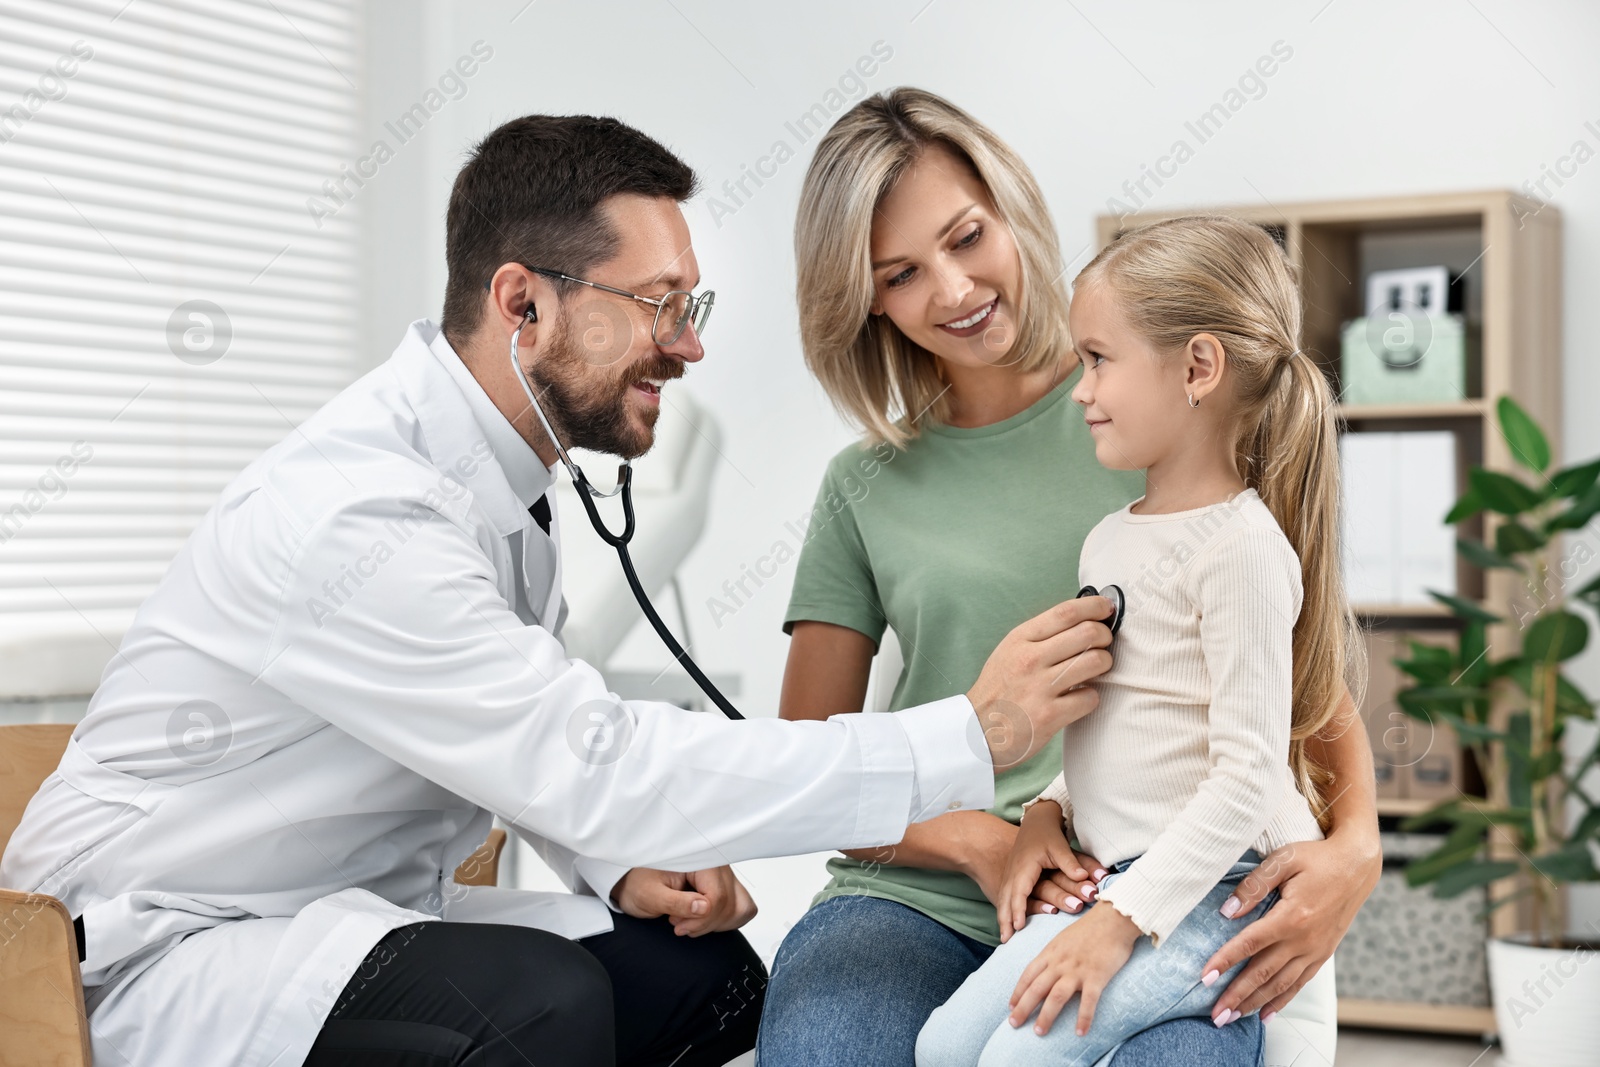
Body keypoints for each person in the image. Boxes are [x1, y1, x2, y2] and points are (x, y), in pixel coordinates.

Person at [0, 114, 1115, 1067]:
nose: (685, 347)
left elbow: (517, 743)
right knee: (545, 1001)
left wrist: (621, 864)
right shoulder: (362, 515)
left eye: (692, 305)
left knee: (705, 976)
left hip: (349, 906)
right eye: (656, 305)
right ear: (523, 303)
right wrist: (973, 729)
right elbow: (587, 757)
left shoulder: (505, 481)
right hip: (156, 950)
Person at [757, 88, 1381, 1067]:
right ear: (865, 297)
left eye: (967, 236)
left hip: (1151, 882)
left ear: (1011, 211)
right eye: (902, 273)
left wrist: (1358, 844)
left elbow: (1294, 672)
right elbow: (806, 765)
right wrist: (986, 841)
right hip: (916, 899)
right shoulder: (863, 485)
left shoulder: (1153, 414)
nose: (954, 287)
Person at [915, 214, 1361, 1067]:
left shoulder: (1243, 551)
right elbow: (1124, 727)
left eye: (1098, 360)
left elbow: (1247, 775)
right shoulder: (1110, 539)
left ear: (1197, 367)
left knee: (1019, 1060)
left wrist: (1116, 926)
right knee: (941, 1049)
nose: (1080, 390)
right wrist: (1051, 804)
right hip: (1121, 878)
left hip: (1218, 892)